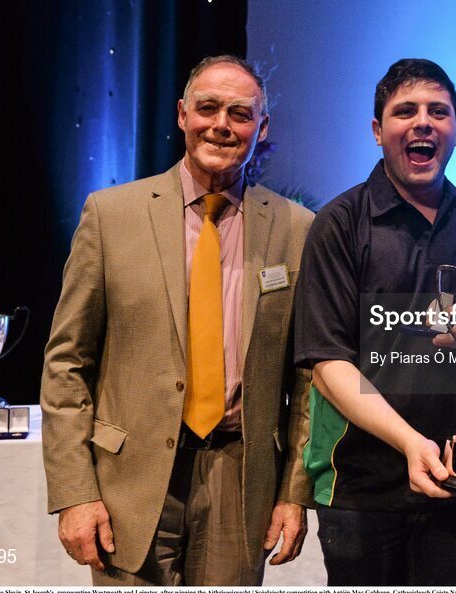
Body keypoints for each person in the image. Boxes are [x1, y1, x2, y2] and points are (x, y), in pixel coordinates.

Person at [40, 55, 315, 586]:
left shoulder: (296, 228)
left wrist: (293, 492)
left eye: (240, 113)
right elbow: (66, 364)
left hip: (241, 484)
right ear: (182, 114)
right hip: (129, 485)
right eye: (208, 108)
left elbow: (307, 380)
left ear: (262, 127)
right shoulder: (110, 215)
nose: (221, 124)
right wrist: (75, 492)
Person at [293, 58, 456, 586]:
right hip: (362, 487)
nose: (423, 122)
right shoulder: (340, 222)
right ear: (378, 131)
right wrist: (410, 444)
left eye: (438, 111)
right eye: (405, 111)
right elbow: (328, 364)